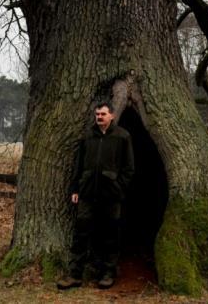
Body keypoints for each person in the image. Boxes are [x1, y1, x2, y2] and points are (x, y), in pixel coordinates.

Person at [57, 101, 134, 290]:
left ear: (112, 116)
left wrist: (118, 187)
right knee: (81, 234)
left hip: (111, 195)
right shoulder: (87, 136)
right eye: (97, 114)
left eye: (103, 114)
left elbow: (129, 168)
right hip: (87, 192)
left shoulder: (122, 136)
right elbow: (78, 165)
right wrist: (75, 189)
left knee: (109, 234)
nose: (99, 117)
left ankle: (107, 274)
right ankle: (75, 275)